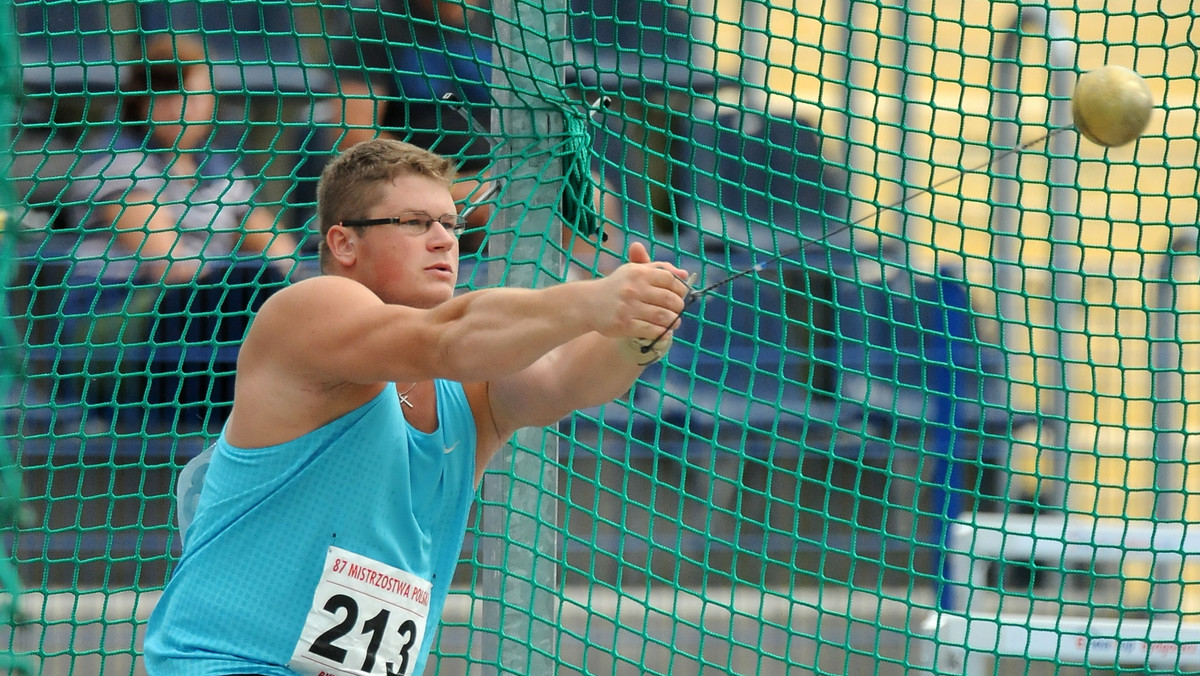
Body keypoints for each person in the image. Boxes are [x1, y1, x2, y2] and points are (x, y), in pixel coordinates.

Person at [143, 138, 690, 675]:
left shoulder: (467, 392)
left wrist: (636, 337)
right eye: (413, 223)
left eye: (450, 224)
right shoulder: (310, 310)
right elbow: (449, 337)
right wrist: (593, 300)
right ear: (344, 243)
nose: (442, 240)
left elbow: (566, 380)